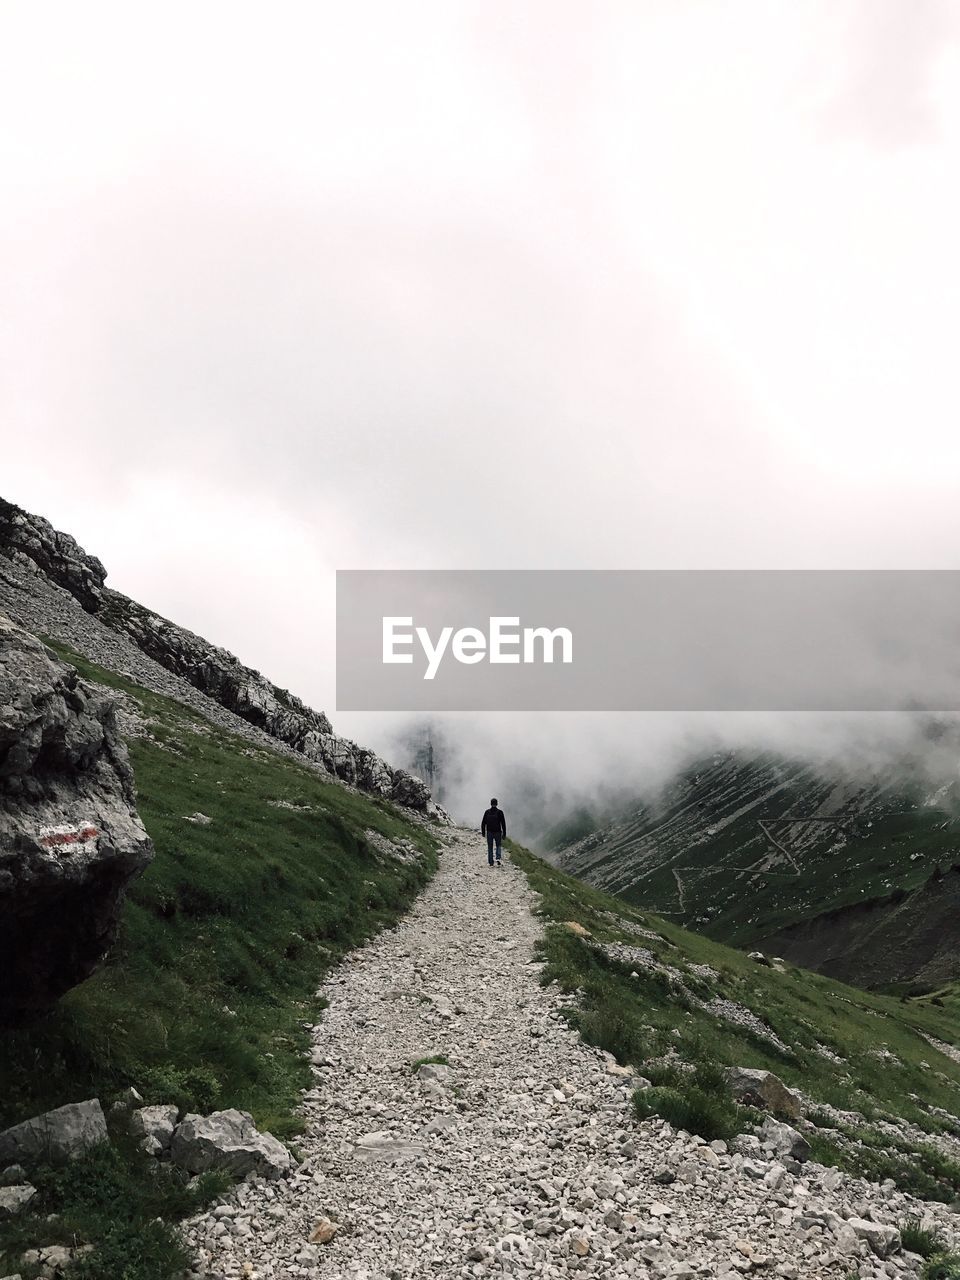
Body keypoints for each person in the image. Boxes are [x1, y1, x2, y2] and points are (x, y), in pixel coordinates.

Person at [481, 798, 506, 866]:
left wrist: (483, 832)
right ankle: (498, 858)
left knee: (490, 847)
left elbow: (483, 823)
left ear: (491, 803)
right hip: (498, 832)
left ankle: (491, 862)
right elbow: (503, 823)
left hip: (489, 832)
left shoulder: (487, 812)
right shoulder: (500, 812)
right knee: (498, 845)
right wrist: (504, 834)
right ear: (497, 804)